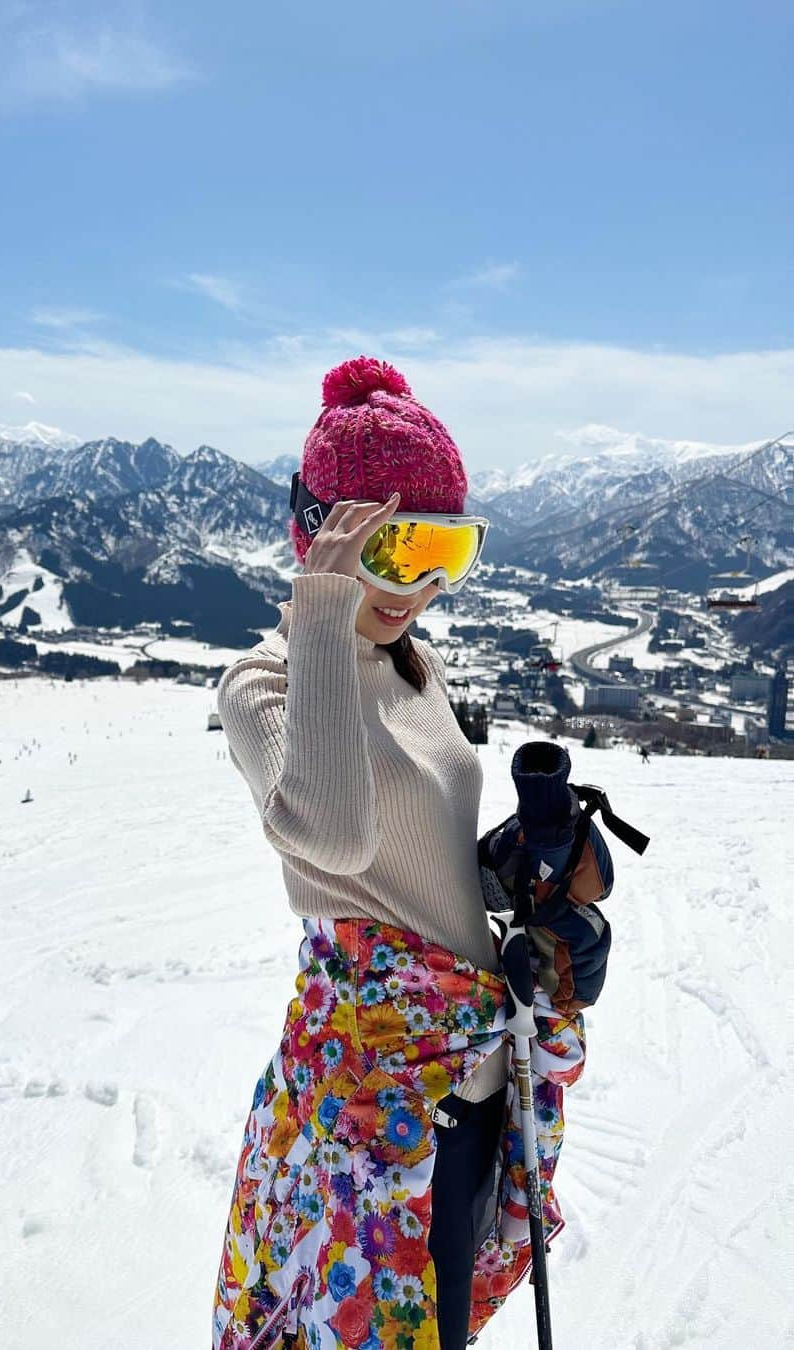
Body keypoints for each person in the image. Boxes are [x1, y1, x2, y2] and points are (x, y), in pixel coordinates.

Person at [210, 357, 584, 1350]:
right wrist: (325, 614)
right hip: (373, 1120)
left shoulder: (414, 663)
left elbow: (421, 860)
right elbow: (333, 832)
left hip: (470, 1082)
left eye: (442, 549)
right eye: (393, 545)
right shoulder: (261, 687)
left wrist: (524, 896)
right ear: (325, 536)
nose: (416, 585)